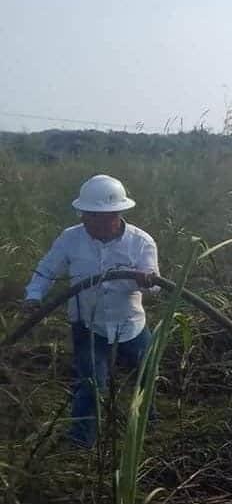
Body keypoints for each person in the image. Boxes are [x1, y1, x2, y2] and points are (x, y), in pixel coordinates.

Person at [21, 174, 160, 449]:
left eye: (99, 216)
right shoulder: (70, 239)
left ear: (117, 214)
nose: (90, 221)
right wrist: (34, 296)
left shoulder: (141, 242)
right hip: (88, 325)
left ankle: (149, 427)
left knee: (146, 377)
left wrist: (143, 280)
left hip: (130, 325)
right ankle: (81, 443)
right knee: (90, 384)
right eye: (87, 215)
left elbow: (155, 287)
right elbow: (46, 269)